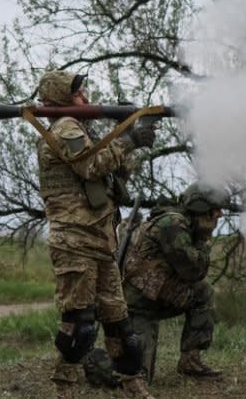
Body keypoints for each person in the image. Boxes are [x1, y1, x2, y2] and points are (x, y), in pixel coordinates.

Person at [34, 69, 156, 399]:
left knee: (120, 324)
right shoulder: (64, 128)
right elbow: (90, 166)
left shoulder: (81, 127)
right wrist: (129, 140)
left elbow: (116, 171)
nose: (85, 97)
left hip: (100, 240)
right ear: (59, 98)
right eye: (77, 94)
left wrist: (130, 131)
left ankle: (134, 386)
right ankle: (65, 391)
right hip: (75, 241)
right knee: (79, 325)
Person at [121, 183, 226, 382]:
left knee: (203, 293)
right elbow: (194, 271)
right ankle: (91, 360)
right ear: (202, 209)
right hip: (138, 304)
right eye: (215, 210)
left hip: (151, 296)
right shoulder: (173, 224)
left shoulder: (179, 223)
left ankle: (190, 361)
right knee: (137, 377)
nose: (219, 215)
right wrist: (204, 239)